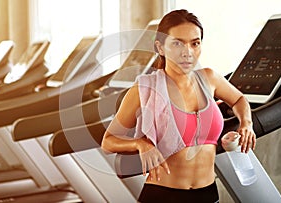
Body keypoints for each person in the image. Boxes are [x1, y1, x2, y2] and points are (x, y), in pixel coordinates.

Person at [101, 9, 256, 203]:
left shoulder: (209, 78)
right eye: (177, 43)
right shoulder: (145, 87)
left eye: (195, 43)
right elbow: (108, 141)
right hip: (163, 195)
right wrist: (140, 143)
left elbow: (239, 99)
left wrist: (246, 123)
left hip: (208, 194)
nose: (187, 52)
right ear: (160, 47)